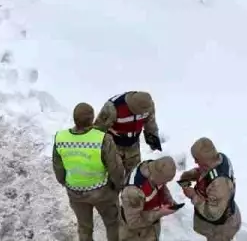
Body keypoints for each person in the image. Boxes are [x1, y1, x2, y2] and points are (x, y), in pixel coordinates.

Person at [54, 102, 125, 241]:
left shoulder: (60, 138)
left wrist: (65, 183)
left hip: (75, 192)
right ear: (92, 119)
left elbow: (58, 167)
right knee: (112, 224)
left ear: (74, 119)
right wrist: (117, 186)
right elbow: (115, 168)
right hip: (102, 192)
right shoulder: (102, 139)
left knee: (84, 227)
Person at [177, 137, 240, 241]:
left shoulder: (220, 185)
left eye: (197, 159)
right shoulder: (218, 158)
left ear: (205, 160)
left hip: (221, 228)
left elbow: (212, 213)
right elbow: (207, 172)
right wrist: (192, 174)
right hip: (220, 215)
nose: (195, 161)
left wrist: (193, 195)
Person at [95, 91, 161, 174]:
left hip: (133, 146)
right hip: (113, 146)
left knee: (133, 174)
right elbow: (98, 129)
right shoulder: (113, 106)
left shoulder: (148, 105)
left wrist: (153, 140)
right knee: (113, 175)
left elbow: (150, 123)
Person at [119, 156, 180, 241]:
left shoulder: (153, 166)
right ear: (154, 177)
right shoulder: (133, 192)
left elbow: (162, 186)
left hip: (150, 221)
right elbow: (134, 222)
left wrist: (168, 199)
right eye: (164, 181)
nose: (165, 183)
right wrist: (160, 213)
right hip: (135, 232)